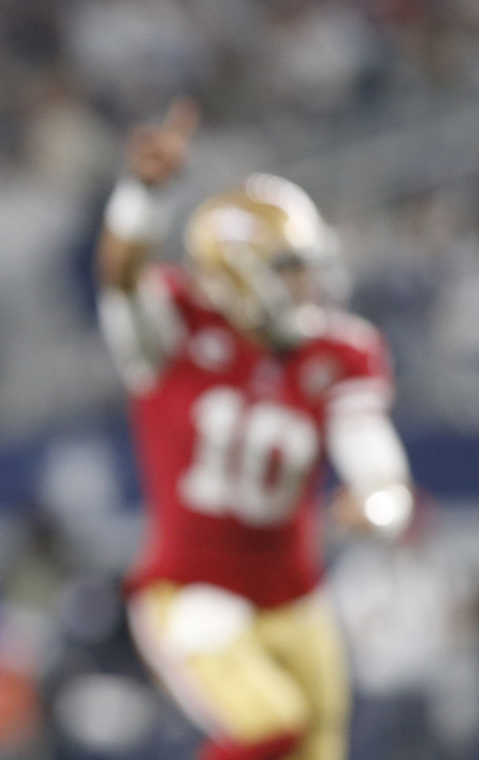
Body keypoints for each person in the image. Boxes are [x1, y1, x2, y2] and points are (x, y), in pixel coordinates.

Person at [94, 99, 417, 760]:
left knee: (318, 746)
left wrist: (382, 506)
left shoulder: (339, 350)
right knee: (271, 727)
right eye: (290, 272)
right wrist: (141, 196)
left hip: (296, 593)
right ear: (239, 273)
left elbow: (376, 463)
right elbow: (120, 278)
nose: (309, 288)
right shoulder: (177, 328)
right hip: (192, 589)